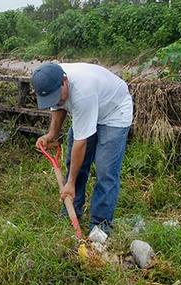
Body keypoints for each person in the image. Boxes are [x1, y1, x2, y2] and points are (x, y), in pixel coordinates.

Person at [32, 62, 133, 234]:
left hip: (114, 112)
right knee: (76, 164)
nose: (56, 100)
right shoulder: (51, 79)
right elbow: (58, 107)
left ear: (65, 81)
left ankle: (100, 226)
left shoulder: (82, 91)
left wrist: (70, 182)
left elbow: (81, 142)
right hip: (90, 108)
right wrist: (51, 135)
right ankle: (72, 211)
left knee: (105, 170)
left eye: (57, 95)